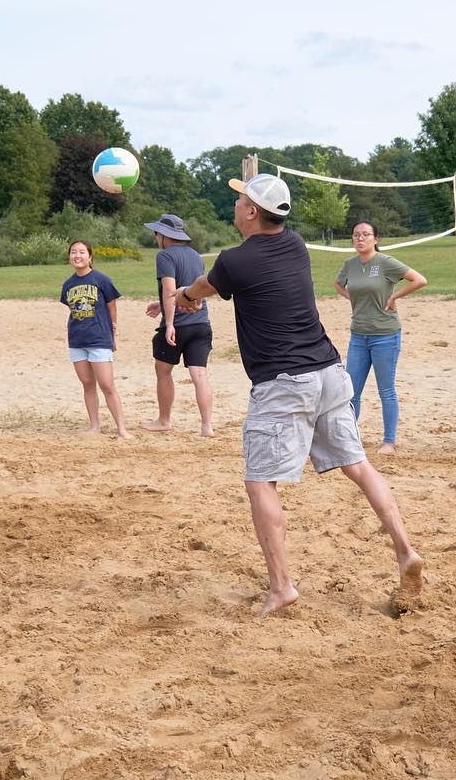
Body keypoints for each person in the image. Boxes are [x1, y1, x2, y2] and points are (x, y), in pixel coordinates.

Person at [176, 173, 422, 617]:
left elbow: (203, 287)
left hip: (283, 383)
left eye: (240, 200)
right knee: (360, 467)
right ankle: (405, 551)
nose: (235, 205)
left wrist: (184, 297)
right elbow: (213, 285)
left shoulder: (233, 260)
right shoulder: (295, 244)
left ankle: (282, 586)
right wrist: (193, 295)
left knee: (259, 481)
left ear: (252, 211)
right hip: (329, 372)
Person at [335, 220, 428, 454]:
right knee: (351, 390)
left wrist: (394, 297)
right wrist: (354, 299)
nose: (360, 239)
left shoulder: (385, 262)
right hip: (358, 335)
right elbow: (338, 285)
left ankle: (389, 441)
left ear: (376, 239)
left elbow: (419, 279)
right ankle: (350, 438)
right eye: (356, 235)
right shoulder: (350, 265)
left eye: (366, 235)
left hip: (385, 334)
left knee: (386, 389)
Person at [140, 213, 215, 437]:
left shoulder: (164, 256)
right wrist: (162, 306)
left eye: (156, 233)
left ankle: (164, 420)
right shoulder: (196, 256)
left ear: (163, 235)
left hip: (178, 326)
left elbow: (169, 289)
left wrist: (170, 322)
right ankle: (207, 426)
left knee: (163, 371)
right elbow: (193, 291)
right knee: (199, 375)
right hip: (201, 324)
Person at [60, 239, 130, 439]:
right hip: (77, 340)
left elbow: (111, 308)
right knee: (87, 384)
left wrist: (112, 336)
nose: (77, 256)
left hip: (99, 339)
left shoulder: (102, 279)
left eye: (82, 252)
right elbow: (72, 309)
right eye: (73, 252)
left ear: (90, 257)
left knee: (107, 385)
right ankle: (94, 426)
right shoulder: (68, 284)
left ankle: (121, 428)